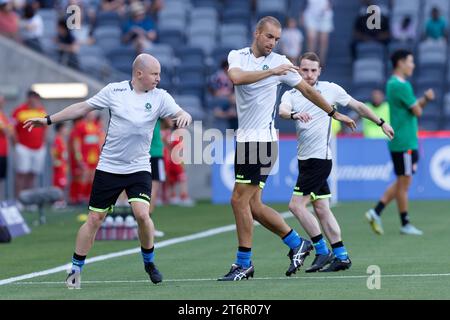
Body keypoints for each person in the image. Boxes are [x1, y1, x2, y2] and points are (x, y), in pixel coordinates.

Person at [24, 54, 192, 289]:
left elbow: (181, 113)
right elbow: (83, 107)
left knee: (142, 214)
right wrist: (48, 119)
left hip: (138, 167)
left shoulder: (160, 97)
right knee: (95, 218)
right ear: (139, 74)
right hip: (110, 167)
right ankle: (75, 270)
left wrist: (184, 115)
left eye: (159, 74)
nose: (158, 78)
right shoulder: (115, 91)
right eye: (155, 74)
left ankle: (149, 263)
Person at [218, 16, 356, 281]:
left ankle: (243, 262)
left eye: (277, 39)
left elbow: (307, 91)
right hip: (246, 140)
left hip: (262, 141)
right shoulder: (238, 56)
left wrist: (332, 112)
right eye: (269, 36)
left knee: (238, 200)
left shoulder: (281, 62)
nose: (273, 43)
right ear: (257, 32)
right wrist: (271, 73)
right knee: (255, 206)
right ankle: (296, 243)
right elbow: (235, 78)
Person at [279, 52, 394, 272]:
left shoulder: (331, 89)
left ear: (320, 71)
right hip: (306, 160)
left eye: (314, 70)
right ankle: (341, 256)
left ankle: (322, 251)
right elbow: (282, 111)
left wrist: (381, 123)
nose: (309, 74)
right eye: (305, 70)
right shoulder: (292, 93)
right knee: (321, 208)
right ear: (298, 70)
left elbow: (359, 106)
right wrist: (294, 114)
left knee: (295, 206)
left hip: (319, 160)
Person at [365, 49, 435, 236]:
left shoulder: (393, 84)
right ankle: (405, 223)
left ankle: (376, 211)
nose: (412, 65)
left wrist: (422, 100)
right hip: (404, 142)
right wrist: (426, 100)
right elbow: (417, 111)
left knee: (402, 181)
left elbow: (412, 109)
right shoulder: (401, 86)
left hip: (405, 141)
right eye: (410, 62)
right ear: (401, 63)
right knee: (404, 184)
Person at [12, 90, 47, 198]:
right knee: (21, 173)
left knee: (33, 174)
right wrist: (16, 143)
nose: (35, 100)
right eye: (33, 97)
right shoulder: (19, 111)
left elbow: (45, 128)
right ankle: (19, 199)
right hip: (23, 147)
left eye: (37, 98)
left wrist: (43, 142)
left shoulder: (42, 111)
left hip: (39, 147)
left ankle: (29, 199)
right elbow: (12, 127)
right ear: (28, 98)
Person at [302, 0, 333, 65]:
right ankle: (311, 60)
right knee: (311, 38)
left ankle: (321, 61)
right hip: (310, 13)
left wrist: (330, 5)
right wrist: (302, 13)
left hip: (324, 14)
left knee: (323, 41)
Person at [52, 122, 69, 208]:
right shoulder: (57, 139)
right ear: (60, 129)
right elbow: (54, 151)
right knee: (59, 183)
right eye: (65, 128)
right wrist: (56, 161)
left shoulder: (62, 140)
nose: (66, 130)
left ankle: (61, 200)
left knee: (63, 183)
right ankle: (58, 201)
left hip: (63, 165)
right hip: (59, 166)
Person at [0, 95, 13, 200]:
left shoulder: (3, 115)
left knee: (2, 178)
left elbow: (10, 131)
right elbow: (6, 130)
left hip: (3, 151)